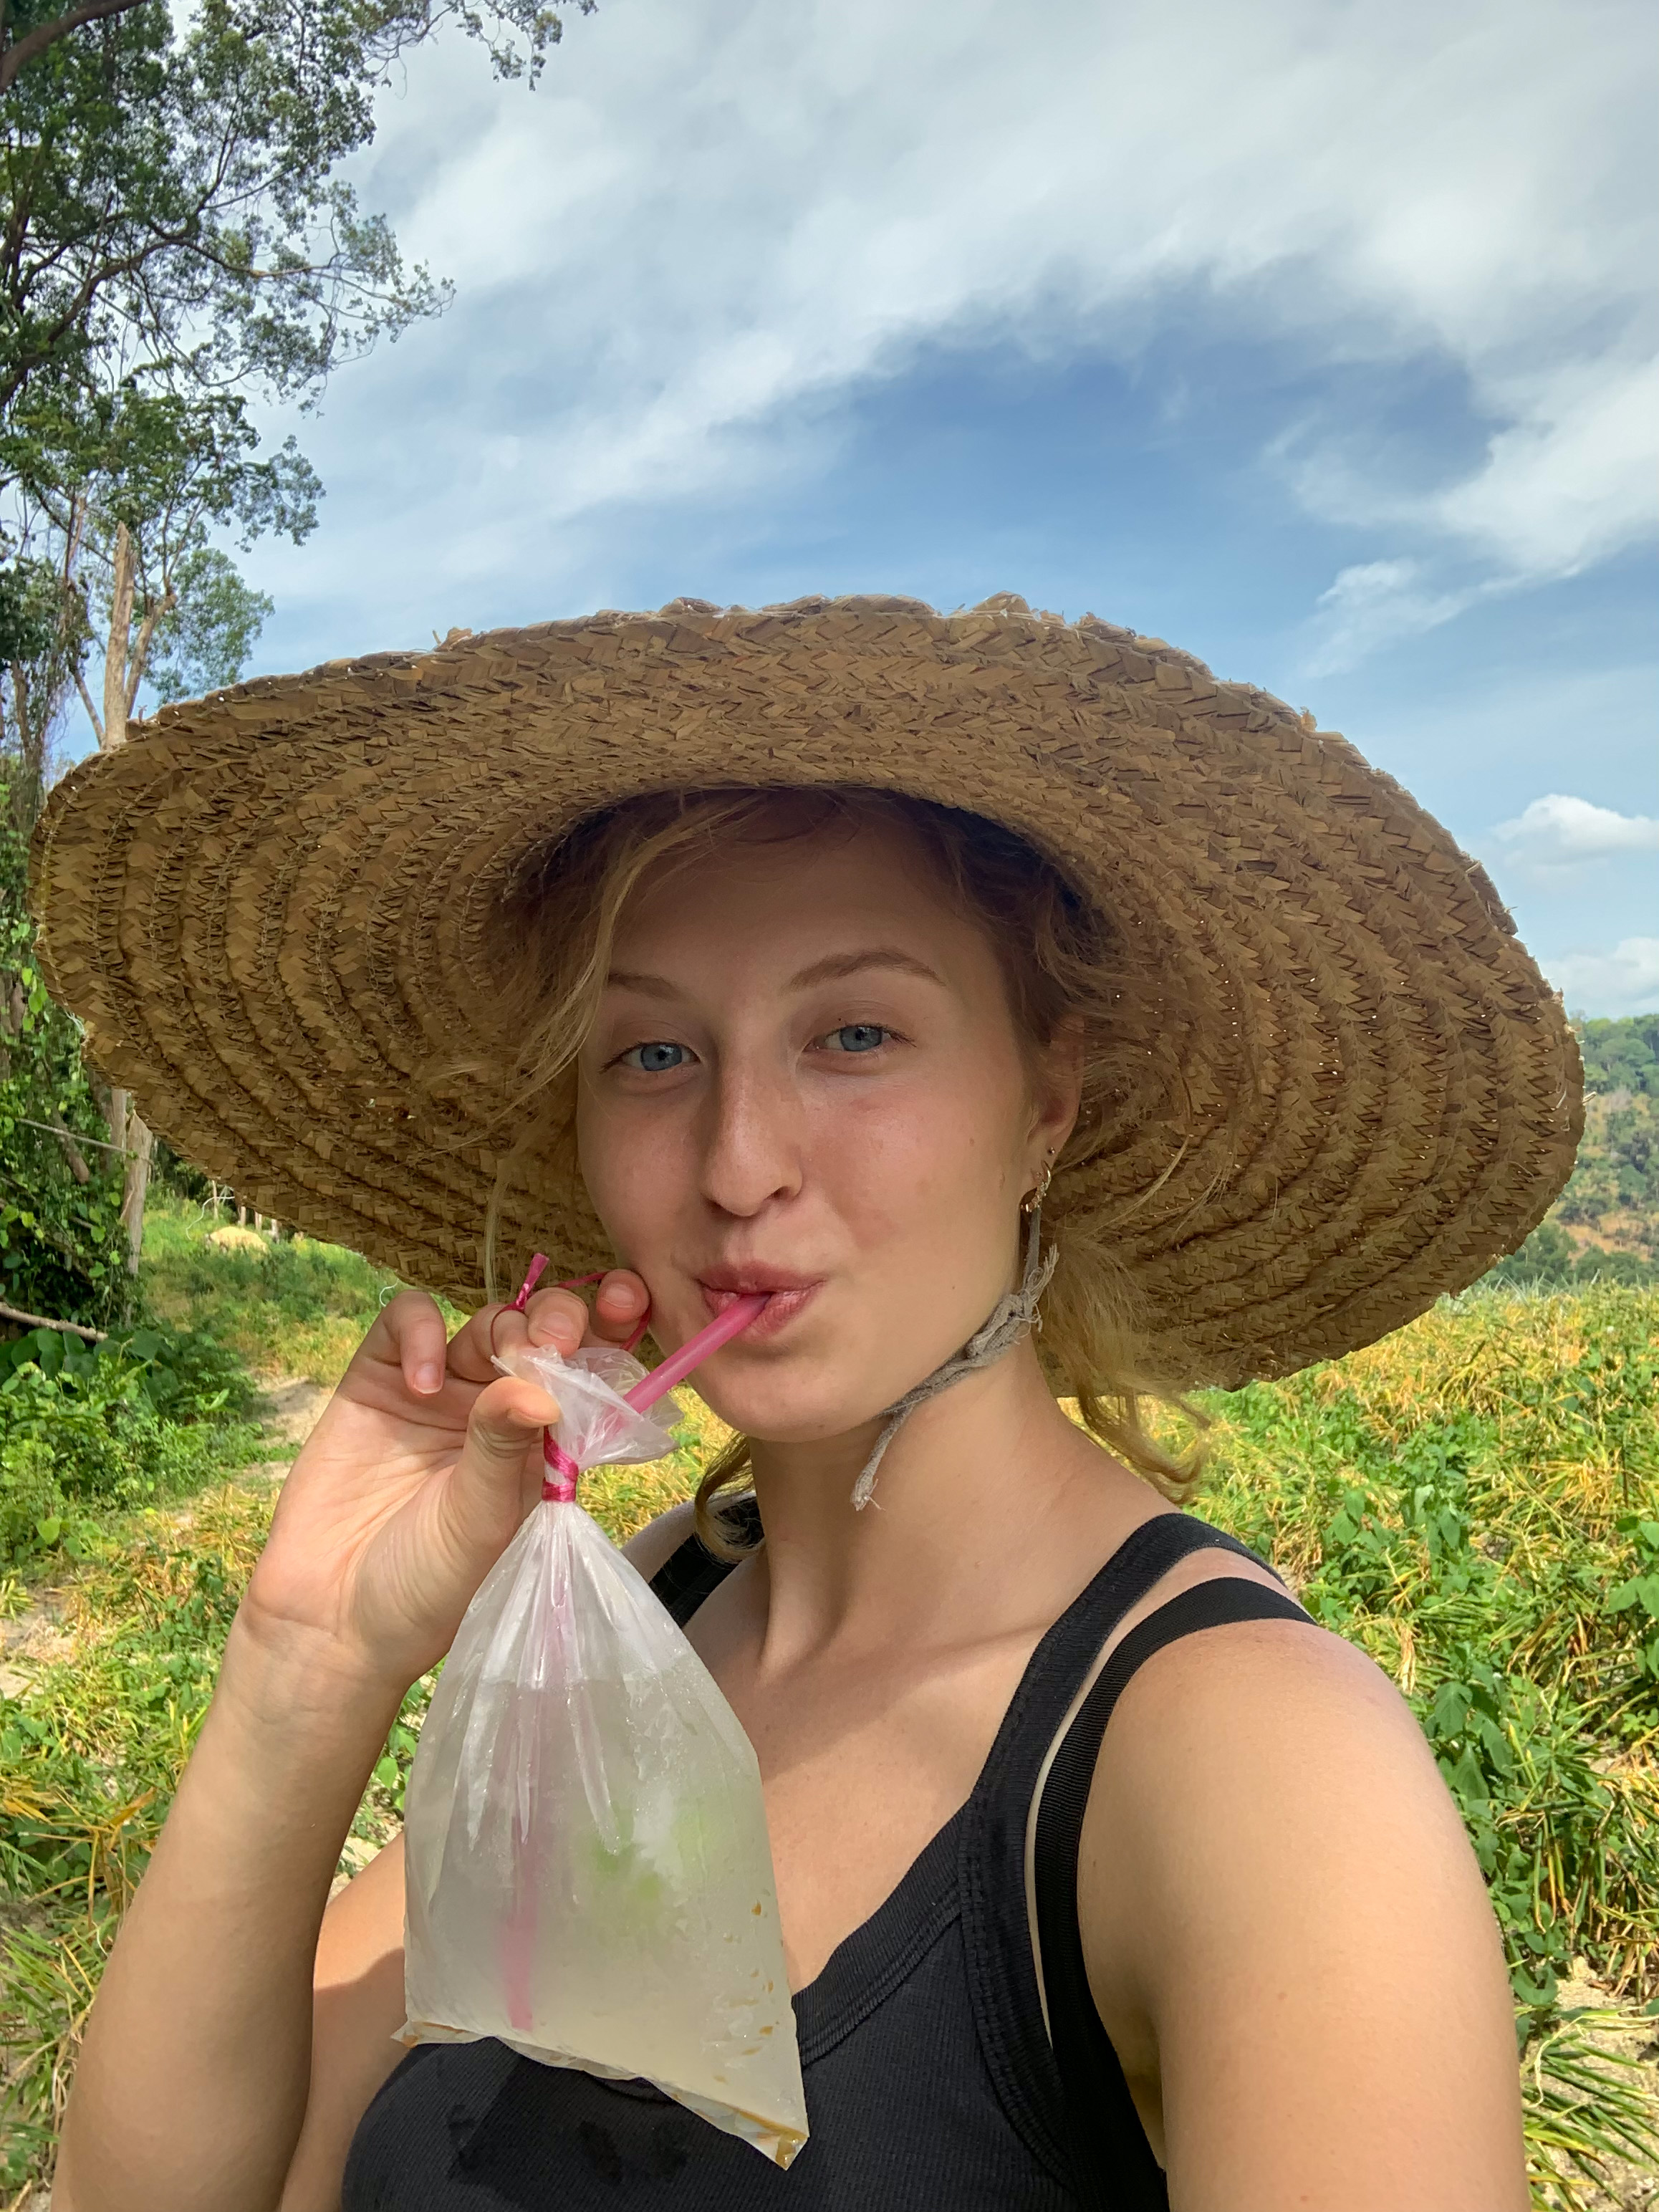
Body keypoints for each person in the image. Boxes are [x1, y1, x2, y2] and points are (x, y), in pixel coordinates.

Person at [34, 596, 1578, 2211]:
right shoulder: (644, 1608)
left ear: (1042, 1106)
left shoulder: (1249, 1762)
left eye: (856, 1032)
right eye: (650, 1052)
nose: (737, 1162)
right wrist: (310, 1661)